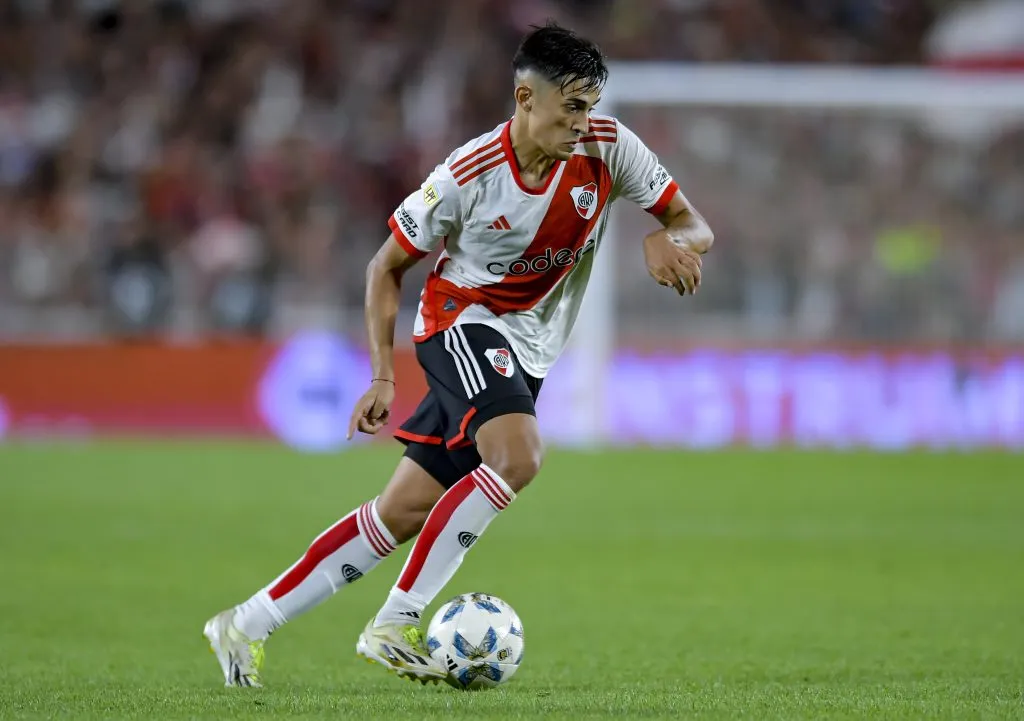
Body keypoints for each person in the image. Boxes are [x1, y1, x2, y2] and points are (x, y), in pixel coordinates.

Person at [203, 21, 712, 688]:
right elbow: (384, 267)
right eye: (571, 108)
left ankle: (246, 622)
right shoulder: (467, 174)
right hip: (458, 322)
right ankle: (395, 621)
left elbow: (693, 223)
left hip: (525, 349)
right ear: (526, 99)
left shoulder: (612, 150)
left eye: (591, 108)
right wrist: (383, 372)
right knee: (520, 454)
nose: (583, 124)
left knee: (401, 512)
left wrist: (671, 241)